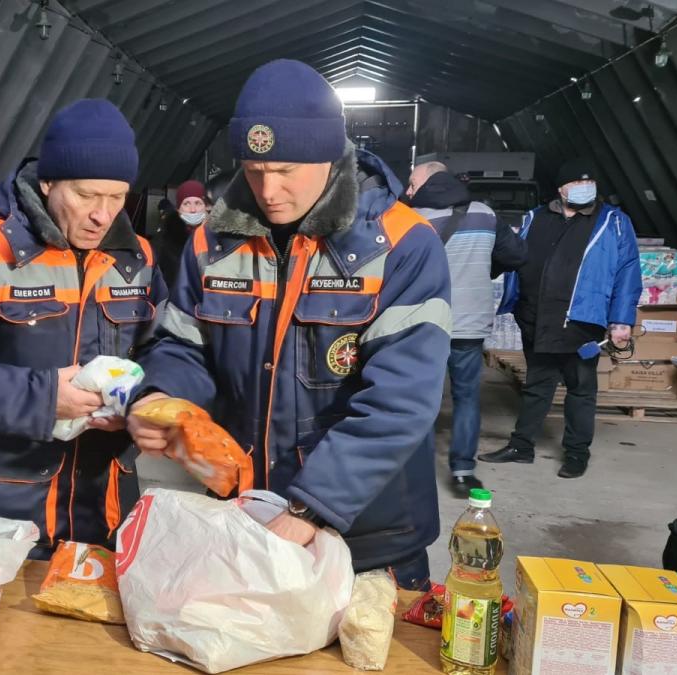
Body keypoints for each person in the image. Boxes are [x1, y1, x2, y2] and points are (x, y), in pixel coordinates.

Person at [127, 59, 452, 590]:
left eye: (284, 171)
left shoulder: (400, 246)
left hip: (365, 538)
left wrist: (311, 508)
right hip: (247, 514)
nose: (268, 189)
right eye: (254, 172)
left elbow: (401, 401)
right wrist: (160, 398)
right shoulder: (213, 242)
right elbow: (183, 344)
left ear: (328, 156)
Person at [0, 99, 165, 559]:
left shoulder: (137, 259)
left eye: (117, 197)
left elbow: (161, 349)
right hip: (2, 514)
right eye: (86, 195)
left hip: (105, 507)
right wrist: (42, 398)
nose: (103, 214)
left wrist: (148, 398)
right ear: (47, 182)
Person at [480, 158, 639, 479]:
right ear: (561, 190)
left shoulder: (613, 222)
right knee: (537, 385)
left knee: (581, 389)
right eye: (577, 184)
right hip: (536, 317)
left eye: (589, 183)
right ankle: (521, 446)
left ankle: (577, 453)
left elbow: (628, 272)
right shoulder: (534, 218)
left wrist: (621, 320)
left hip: (581, 321)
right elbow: (514, 256)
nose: (585, 189)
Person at [406, 162, 526, 497]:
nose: (408, 189)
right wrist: (485, 268)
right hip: (470, 324)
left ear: (428, 181)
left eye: (413, 182)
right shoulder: (485, 215)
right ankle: (462, 471)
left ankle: (415, 471)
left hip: (424, 322)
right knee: (467, 397)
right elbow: (516, 256)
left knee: (420, 397)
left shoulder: (413, 219)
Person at [153, 180, 208, 288]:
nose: (193, 210)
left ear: (206, 207)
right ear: (178, 209)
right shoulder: (161, 244)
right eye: (186, 204)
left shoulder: (217, 240)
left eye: (198, 203)